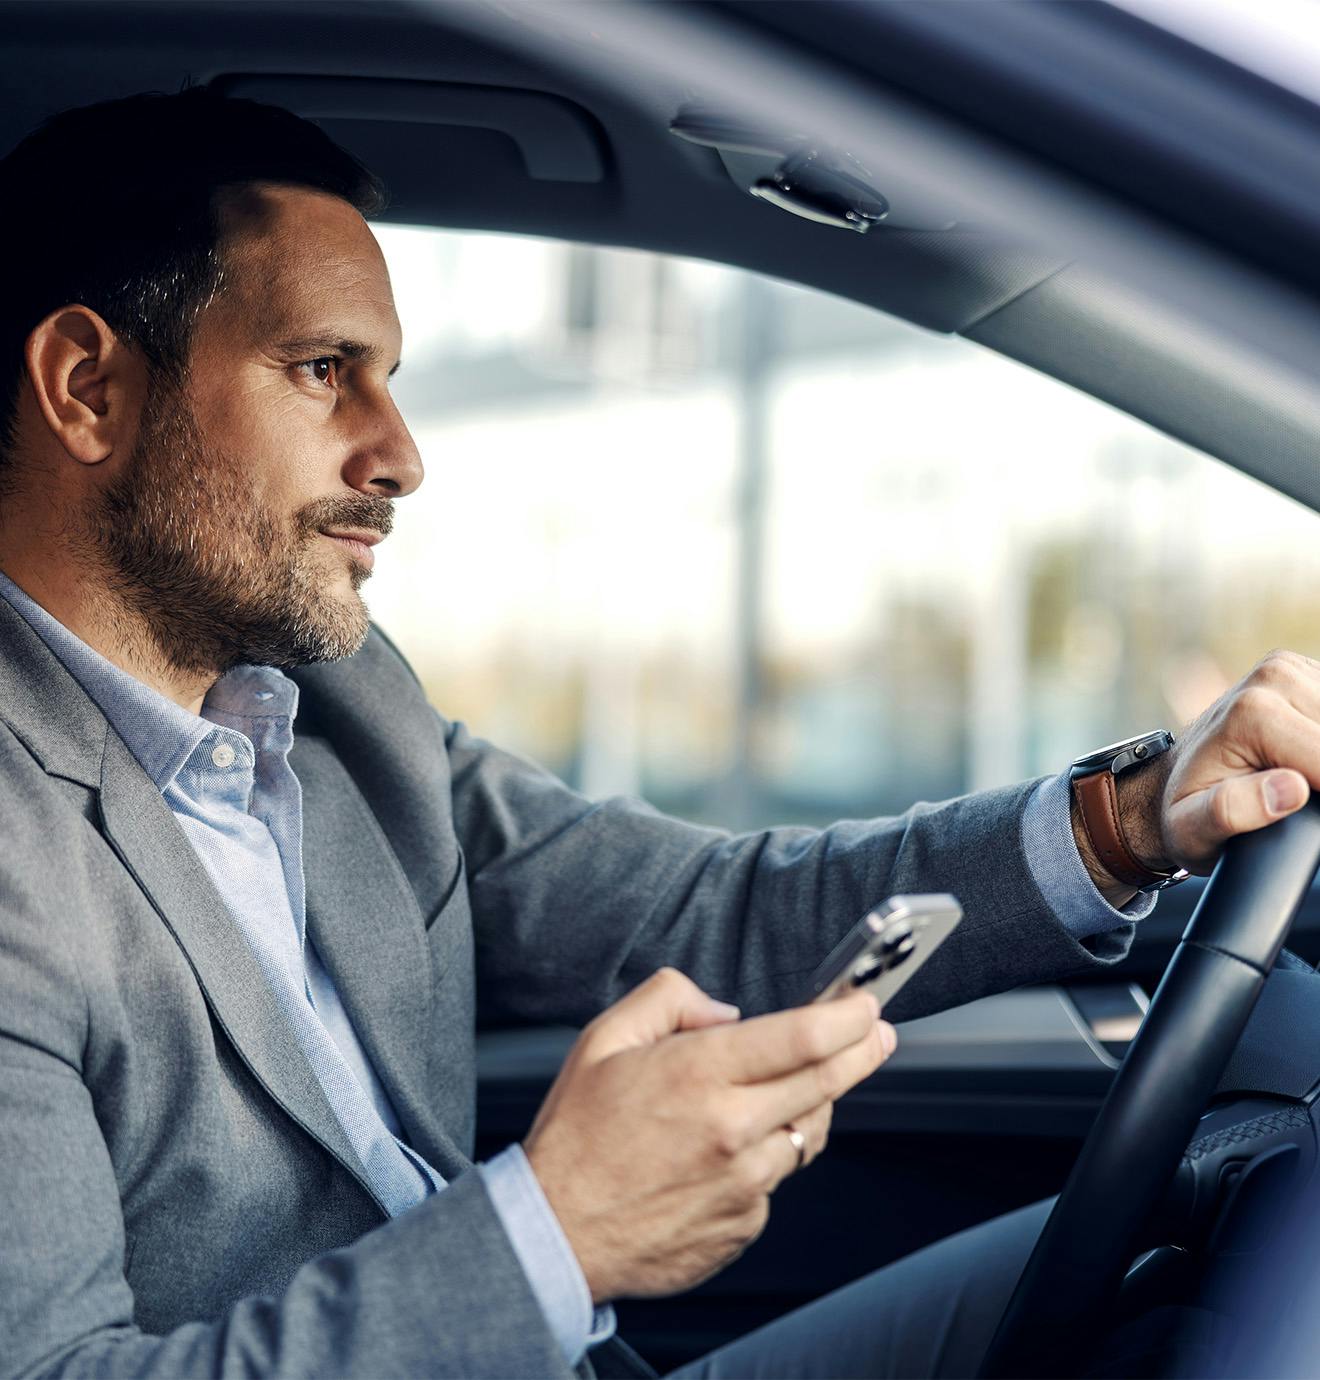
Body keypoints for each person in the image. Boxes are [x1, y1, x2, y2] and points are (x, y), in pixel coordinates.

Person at [0, 88, 1315, 1380]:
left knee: (1213, 1221)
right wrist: (556, 1236)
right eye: (323, 372)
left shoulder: (338, 711)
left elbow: (706, 912)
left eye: (387, 382)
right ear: (87, 387)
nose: (399, 453)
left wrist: (1131, 823)